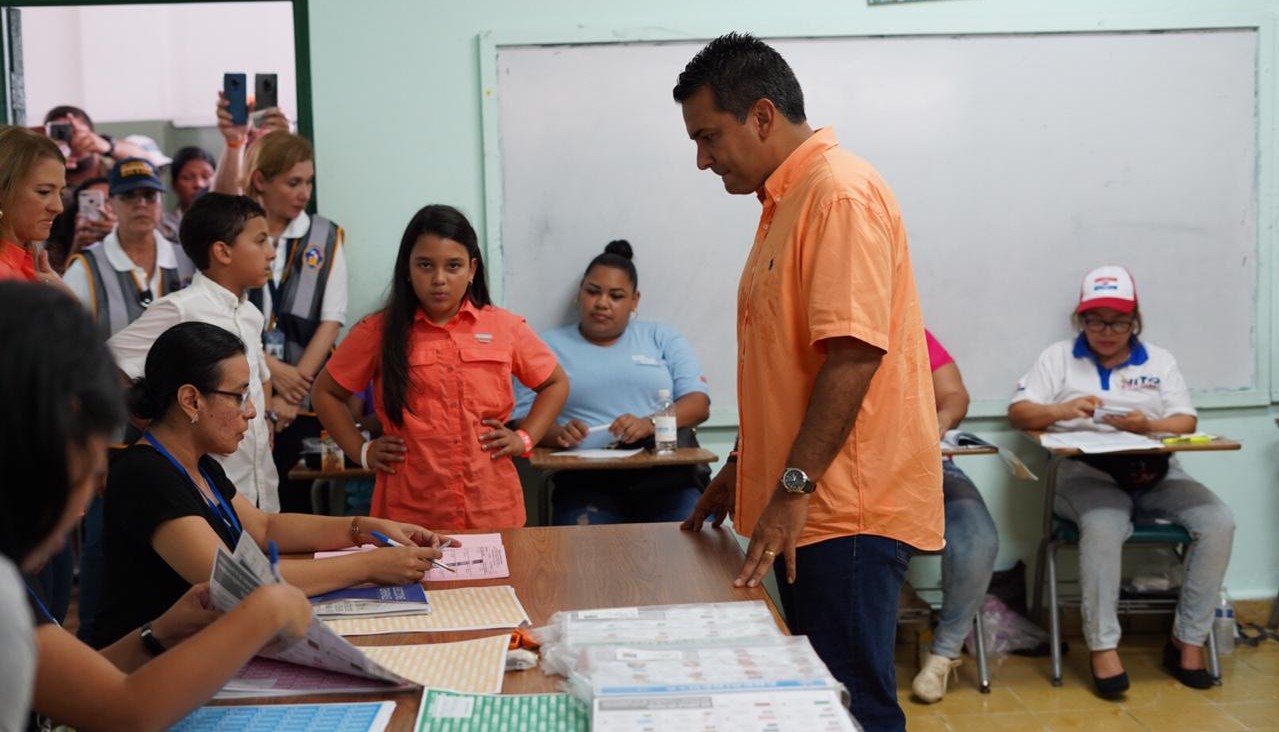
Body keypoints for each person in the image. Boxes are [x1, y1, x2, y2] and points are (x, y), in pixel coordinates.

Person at [673, 33, 942, 731]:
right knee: (820, 699)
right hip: (809, 504)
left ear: (761, 116)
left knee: (852, 704)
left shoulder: (837, 194)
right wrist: (742, 465)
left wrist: (790, 488)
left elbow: (851, 357)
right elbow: (787, 366)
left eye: (708, 137)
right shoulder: (782, 203)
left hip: (837, 509)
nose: (701, 159)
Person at [0, 281, 315, 732]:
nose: (85, 508)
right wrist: (266, 609)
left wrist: (160, 632)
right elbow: (123, 709)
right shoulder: (146, 472)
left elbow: (62, 688)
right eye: (86, 473)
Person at [93, 322, 451, 648]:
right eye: (239, 396)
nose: (250, 411)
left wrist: (363, 529)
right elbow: (233, 580)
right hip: (146, 673)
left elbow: (265, 527)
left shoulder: (199, 465)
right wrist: (369, 566)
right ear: (191, 400)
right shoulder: (145, 475)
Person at [1008, 265, 1235, 697]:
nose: (1107, 331)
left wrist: (1146, 424)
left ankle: (1188, 639)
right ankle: (1103, 646)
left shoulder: (1159, 360)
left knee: (1218, 520)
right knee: (1106, 525)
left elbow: (1185, 421)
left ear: (1135, 321)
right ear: (1081, 321)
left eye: (1118, 321)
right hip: (1085, 475)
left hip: (1157, 472)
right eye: (1096, 320)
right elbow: (1019, 413)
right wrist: (1062, 410)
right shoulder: (1058, 357)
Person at [313, 204, 569, 530]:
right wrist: (360, 451)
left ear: (472, 268)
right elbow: (325, 392)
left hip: (492, 508)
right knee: (416, 583)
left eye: (453, 266)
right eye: (424, 265)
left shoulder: (505, 327)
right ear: (407, 267)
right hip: (408, 511)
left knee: (498, 583)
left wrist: (525, 438)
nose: (439, 280)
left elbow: (555, 383)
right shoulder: (378, 331)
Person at [512, 239, 712, 525]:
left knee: (692, 545)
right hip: (586, 483)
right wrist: (558, 434)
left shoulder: (661, 338)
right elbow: (521, 419)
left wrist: (648, 423)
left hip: (667, 477)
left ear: (634, 301)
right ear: (580, 293)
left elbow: (698, 403)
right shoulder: (547, 345)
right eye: (593, 292)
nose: (602, 303)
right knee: (583, 554)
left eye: (616, 296)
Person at [108, 192, 281, 512]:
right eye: (260, 242)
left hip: (259, 483)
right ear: (223, 251)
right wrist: (153, 421)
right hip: (204, 486)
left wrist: (266, 418)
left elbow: (260, 377)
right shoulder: (180, 308)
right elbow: (107, 361)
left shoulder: (251, 314)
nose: (271, 253)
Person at [243, 132, 349, 513]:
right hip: (249, 391)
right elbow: (227, 313)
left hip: (304, 400)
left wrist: (292, 389)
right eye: (293, 183)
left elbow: (331, 319)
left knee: (300, 506)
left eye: (309, 182)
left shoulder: (325, 234)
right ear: (261, 182)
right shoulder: (238, 231)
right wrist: (272, 371)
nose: (304, 192)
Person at [911, 330, 999, 703]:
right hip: (862, 478)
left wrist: (943, 417)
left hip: (931, 466)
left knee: (977, 535)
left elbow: (954, 393)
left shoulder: (912, 333)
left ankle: (943, 652)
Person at [64, 158, 189, 338]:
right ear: (112, 203)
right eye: (128, 195)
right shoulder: (85, 269)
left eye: (149, 195)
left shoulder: (186, 260)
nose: (141, 204)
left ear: (161, 203)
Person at [0, 125, 71, 289]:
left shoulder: (31, 265)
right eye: (44, 192)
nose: (58, 208)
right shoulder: (5, 279)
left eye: (60, 193)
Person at [42, 105, 151, 193]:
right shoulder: (44, 178)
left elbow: (148, 164)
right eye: (61, 135)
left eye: (75, 133)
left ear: (92, 134)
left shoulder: (114, 169)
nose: (73, 143)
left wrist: (108, 146)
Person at [45, 176, 114, 274]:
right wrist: (76, 250)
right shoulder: (54, 252)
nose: (101, 210)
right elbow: (57, 286)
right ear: (77, 215)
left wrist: (119, 237)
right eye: (92, 204)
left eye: (108, 202)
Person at [161, 146, 217, 242]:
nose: (199, 184)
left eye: (206, 176)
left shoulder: (228, 224)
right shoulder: (164, 226)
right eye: (188, 178)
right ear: (174, 186)